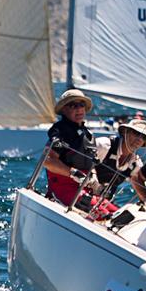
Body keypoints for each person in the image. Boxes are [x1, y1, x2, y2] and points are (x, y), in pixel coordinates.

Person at [42, 89, 114, 217]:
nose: (79, 109)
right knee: (104, 215)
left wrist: (95, 181)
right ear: (64, 109)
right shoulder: (60, 130)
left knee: (115, 212)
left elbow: (92, 162)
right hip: (64, 189)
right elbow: (48, 160)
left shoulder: (87, 133)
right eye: (73, 105)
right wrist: (73, 173)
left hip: (84, 188)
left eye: (81, 105)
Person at [92, 117, 146, 201]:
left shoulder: (136, 165)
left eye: (144, 137)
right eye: (136, 133)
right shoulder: (104, 145)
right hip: (81, 193)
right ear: (125, 132)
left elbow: (139, 186)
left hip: (104, 202)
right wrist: (94, 184)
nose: (139, 139)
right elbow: (81, 165)